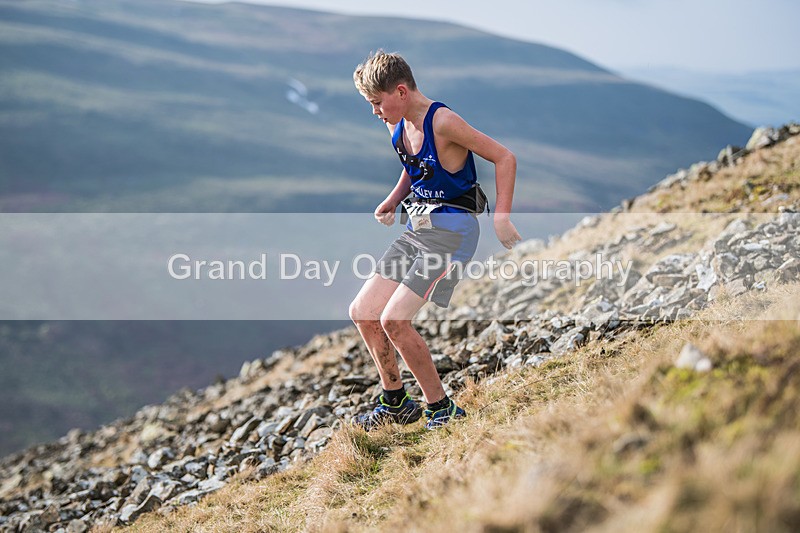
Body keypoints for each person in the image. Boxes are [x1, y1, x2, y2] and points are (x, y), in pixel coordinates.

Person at [349, 50, 521, 431]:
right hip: (418, 232)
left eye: (378, 102)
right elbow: (415, 169)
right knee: (363, 312)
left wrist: (502, 217)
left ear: (401, 91)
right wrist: (394, 200)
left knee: (395, 320)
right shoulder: (398, 124)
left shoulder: (443, 121)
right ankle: (395, 402)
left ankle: (441, 408)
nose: (375, 111)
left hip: (452, 236)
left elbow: (504, 158)